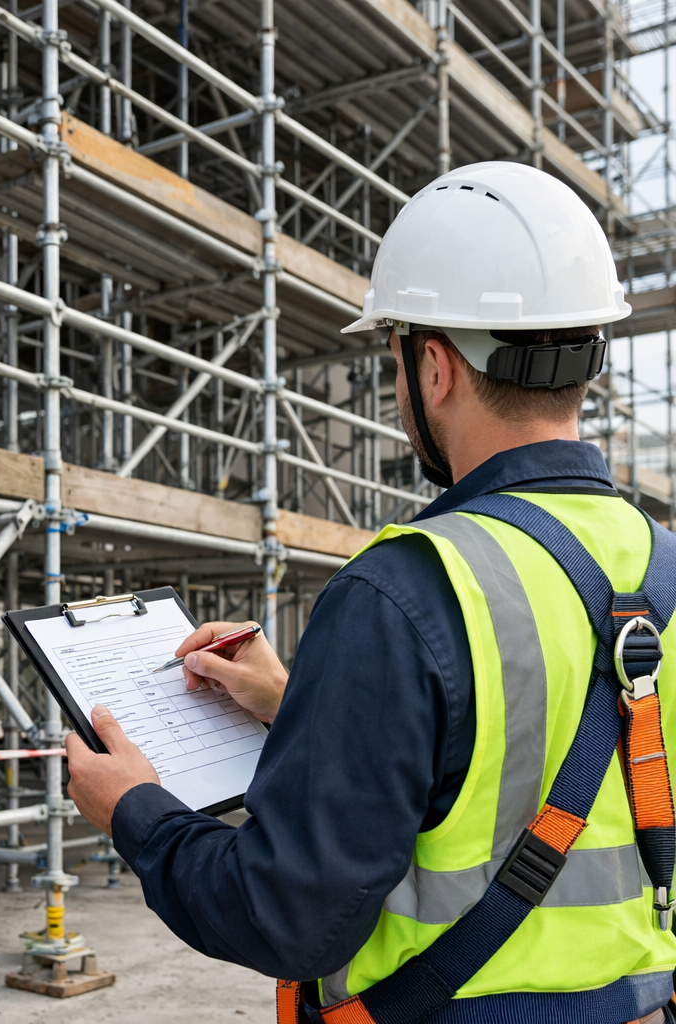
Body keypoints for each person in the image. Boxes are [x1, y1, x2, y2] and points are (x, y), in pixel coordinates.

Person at [65, 162, 676, 1024]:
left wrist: (134, 810)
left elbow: (282, 914)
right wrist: (301, 704)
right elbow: (541, 752)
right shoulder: (663, 567)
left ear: (432, 367)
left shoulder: (406, 590)